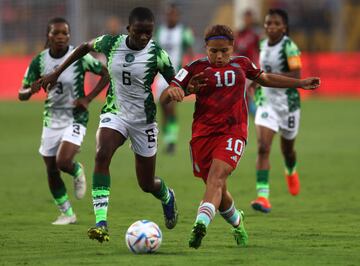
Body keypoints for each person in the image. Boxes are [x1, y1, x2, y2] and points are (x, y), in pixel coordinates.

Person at [160, 24, 319, 249]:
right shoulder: (194, 68)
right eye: (213, 51)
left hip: (233, 132)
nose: (219, 56)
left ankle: (200, 224)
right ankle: (237, 222)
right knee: (218, 189)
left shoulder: (242, 64)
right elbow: (166, 96)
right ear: (205, 48)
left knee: (216, 179)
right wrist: (178, 91)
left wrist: (300, 84)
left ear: (232, 48)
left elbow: (266, 79)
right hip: (202, 136)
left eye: (224, 50)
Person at [38, 7, 178, 243]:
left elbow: (175, 82)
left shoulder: (158, 55)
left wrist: (181, 88)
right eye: (139, 32)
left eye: (149, 32)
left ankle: (166, 195)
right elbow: (83, 47)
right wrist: (57, 71)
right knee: (102, 154)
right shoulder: (110, 43)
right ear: (128, 29)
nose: (144, 37)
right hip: (115, 113)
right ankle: (101, 222)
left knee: (146, 183)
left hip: (143, 121)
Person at [18, 17, 109, 225]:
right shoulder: (39, 61)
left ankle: (77, 170)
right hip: (51, 119)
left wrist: (88, 98)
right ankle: (67, 213)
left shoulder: (78, 57)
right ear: (48, 36)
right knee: (51, 169)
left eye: (64, 33)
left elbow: (105, 74)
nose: (60, 37)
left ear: (69, 36)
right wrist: (29, 91)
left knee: (63, 162)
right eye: (56, 33)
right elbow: (20, 93)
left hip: (75, 117)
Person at [250, 9, 305, 213]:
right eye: (268, 23)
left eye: (275, 24)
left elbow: (297, 73)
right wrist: (256, 83)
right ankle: (263, 197)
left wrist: (268, 77)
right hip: (266, 102)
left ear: (284, 27)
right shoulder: (263, 44)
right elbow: (259, 71)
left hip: (288, 105)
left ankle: (291, 169)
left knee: (287, 151)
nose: (271, 27)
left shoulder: (290, 47)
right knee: (263, 147)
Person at [155, 3, 194, 154]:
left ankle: (172, 141)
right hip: (159, 77)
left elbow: (190, 52)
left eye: (174, 14)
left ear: (178, 16)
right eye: (169, 14)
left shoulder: (184, 32)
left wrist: (190, 73)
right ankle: (168, 139)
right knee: (163, 108)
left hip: (176, 76)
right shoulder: (160, 31)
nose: (171, 17)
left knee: (171, 108)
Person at [234, 9, 260, 116]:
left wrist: (258, 65)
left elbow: (259, 50)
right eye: (246, 18)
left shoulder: (255, 35)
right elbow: (234, 50)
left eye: (249, 18)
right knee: (242, 91)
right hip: (240, 68)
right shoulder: (238, 34)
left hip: (251, 67)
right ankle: (248, 111)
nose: (247, 20)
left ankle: (255, 111)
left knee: (250, 91)